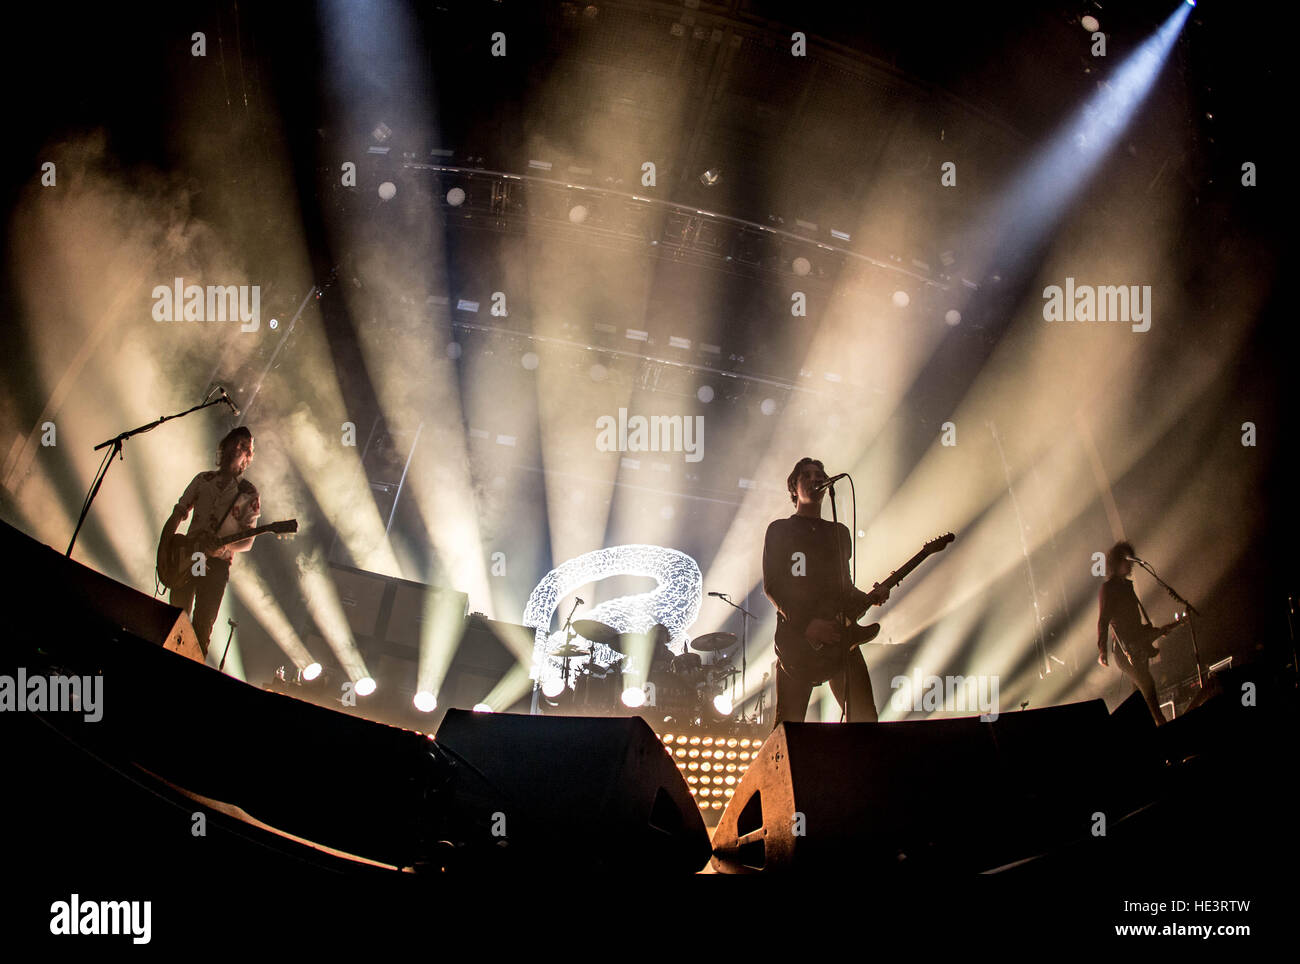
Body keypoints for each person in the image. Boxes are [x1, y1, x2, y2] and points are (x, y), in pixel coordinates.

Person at [763, 457, 888, 725]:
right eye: (805, 475)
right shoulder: (780, 530)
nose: (814, 478)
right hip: (797, 639)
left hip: (840, 639)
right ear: (793, 488)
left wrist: (869, 597)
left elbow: (844, 586)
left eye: (818, 474)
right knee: (789, 727)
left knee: (865, 720)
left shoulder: (839, 534)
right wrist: (807, 624)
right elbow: (773, 586)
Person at [165, 427, 261, 654]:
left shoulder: (249, 494)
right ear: (224, 445)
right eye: (234, 443)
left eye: (243, 446)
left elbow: (248, 541)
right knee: (174, 620)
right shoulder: (203, 479)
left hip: (217, 565)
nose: (236, 449)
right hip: (188, 555)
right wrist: (164, 545)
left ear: (247, 456)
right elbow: (179, 511)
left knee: (201, 628)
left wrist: (224, 546)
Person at [1097, 541, 1166, 725]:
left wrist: (1152, 632)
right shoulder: (1108, 588)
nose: (1130, 564)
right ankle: (1164, 726)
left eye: (1130, 560)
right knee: (1148, 687)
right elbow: (1103, 621)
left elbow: (1134, 622)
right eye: (1126, 560)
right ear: (1116, 562)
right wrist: (1102, 650)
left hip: (1138, 648)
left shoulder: (1128, 586)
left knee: (1138, 697)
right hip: (1124, 651)